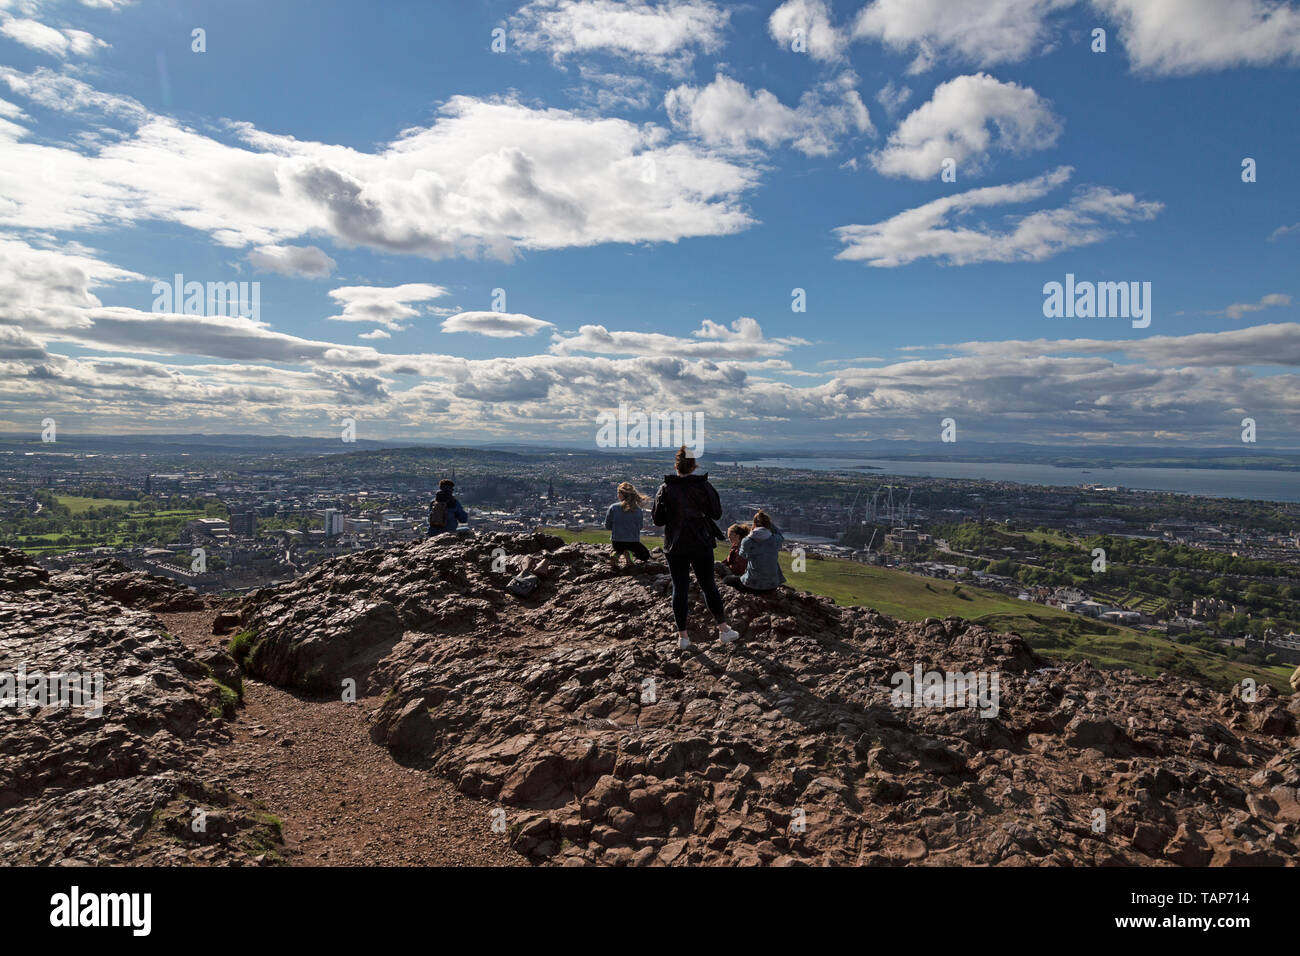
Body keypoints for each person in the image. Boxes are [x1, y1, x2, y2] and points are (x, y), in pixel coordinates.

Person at [652, 445, 740, 650]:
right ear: (693, 466)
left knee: (679, 588)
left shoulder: (666, 488)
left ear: (676, 466)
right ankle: (724, 630)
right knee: (708, 584)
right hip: (701, 541)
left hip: (675, 544)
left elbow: (657, 520)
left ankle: (683, 637)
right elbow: (717, 513)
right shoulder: (704, 486)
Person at [726, 510, 786, 593]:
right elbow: (780, 535)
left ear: (754, 524)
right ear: (768, 525)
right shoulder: (775, 539)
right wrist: (768, 524)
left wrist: (751, 532)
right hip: (772, 586)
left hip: (752, 585)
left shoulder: (747, 541)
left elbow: (742, 555)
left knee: (727, 580)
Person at [605, 481, 651, 570]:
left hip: (617, 542)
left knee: (621, 548)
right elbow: (640, 527)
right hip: (632, 542)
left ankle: (617, 554)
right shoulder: (637, 510)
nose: (617, 495)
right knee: (645, 555)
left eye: (618, 493)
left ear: (622, 494)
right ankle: (628, 555)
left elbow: (607, 526)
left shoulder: (613, 507)